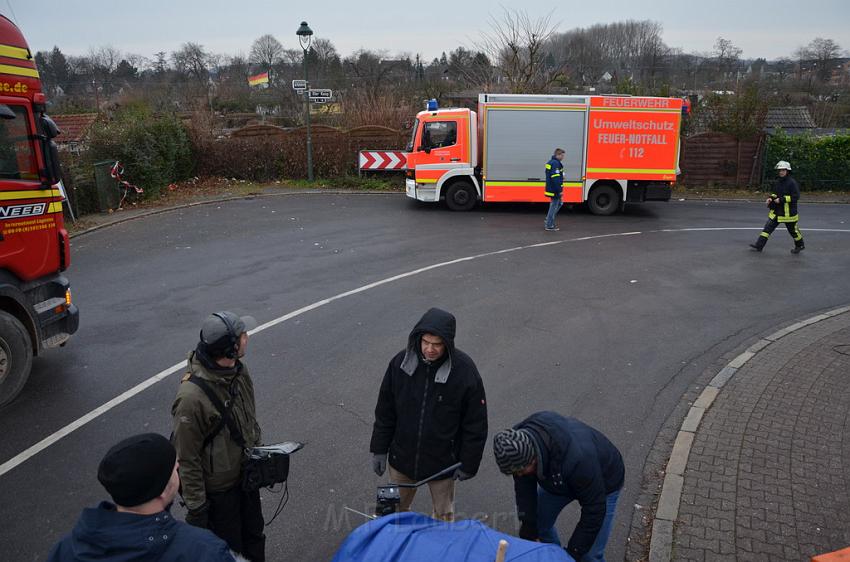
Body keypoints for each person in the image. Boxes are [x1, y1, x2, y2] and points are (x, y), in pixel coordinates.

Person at [370, 307, 488, 521]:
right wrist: (379, 449)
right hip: (401, 459)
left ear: (448, 344)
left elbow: (475, 424)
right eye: (425, 342)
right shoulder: (400, 364)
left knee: (443, 519)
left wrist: (469, 463)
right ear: (418, 338)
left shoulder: (465, 372)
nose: (429, 349)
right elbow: (385, 411)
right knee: (388, 517)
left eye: (437, 344)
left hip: (443, 464)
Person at [47, 433, 237, 561]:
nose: (178, 468)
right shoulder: (203, 551)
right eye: (174, 469)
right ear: (162, 490)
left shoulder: (65, 549)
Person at [171, 312, 264, 561]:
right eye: (243, 336)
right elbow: (186, 458)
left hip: (246, 480)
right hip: (219, 495)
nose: (247, 338)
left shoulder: (238, 372)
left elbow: (249, 419)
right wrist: (197, 507)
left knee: (255, 537)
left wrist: (260, 454)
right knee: (228, 552)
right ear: (231, 349)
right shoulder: (191, 399)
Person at [493, 412, 625, 562]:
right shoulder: (517, 443)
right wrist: (529, 526)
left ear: (534, 458)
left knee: (589, 554)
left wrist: (572, 553)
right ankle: (552, 558)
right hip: (559, 478)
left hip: (604, 481)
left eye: (521, 471)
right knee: (539, 526)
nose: (519, 475)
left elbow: (594, 509)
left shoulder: (578, 460)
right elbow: (524, 488)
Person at [750, 160, 805, 254]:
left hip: (788, 214)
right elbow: (775, 193)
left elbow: (796, 197)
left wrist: (782, 199)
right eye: (780, 170)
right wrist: (770, 198)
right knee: (767, 229)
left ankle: (800, 245)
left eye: (783, 170)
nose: (781, 172)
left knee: (793, 232)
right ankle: (759, 245)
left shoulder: (792, 183)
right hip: (777, 211)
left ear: (787, 171)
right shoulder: (778, 181)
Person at [544, 149, 566, 231]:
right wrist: (559, 190)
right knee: (554, 205)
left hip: (552, 187)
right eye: (562, 155)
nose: (563, 157)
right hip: (555, 189)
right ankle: (549, 224)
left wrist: (561, 175)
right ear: (558, 155)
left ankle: (548, 220)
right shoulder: (556, 163)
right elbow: (555, 178)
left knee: (559, 203)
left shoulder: (551, 162)